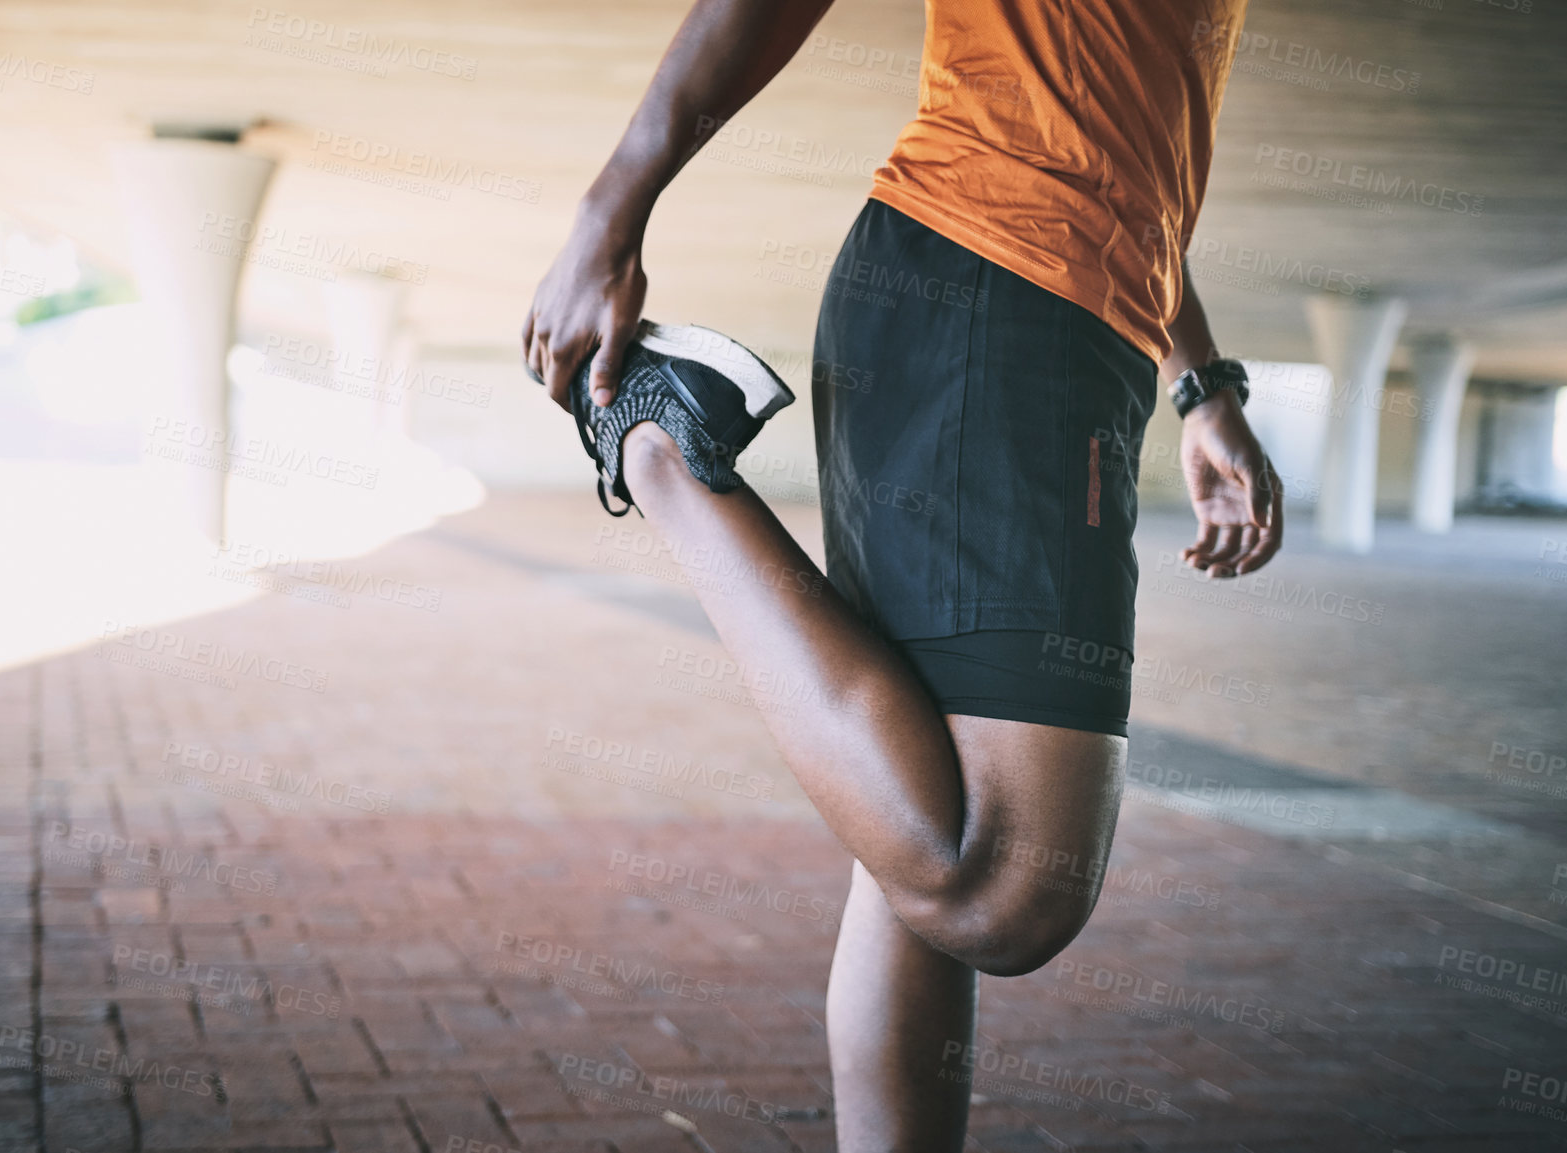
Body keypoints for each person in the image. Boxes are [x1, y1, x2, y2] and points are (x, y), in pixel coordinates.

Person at [521, 0, 1278, 1146]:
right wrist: (613, 202)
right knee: (1005, 883)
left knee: (918, 839)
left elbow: (1127, 137)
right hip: (995, 295)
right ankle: (658, 440)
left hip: (1057, 320)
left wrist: (1198, 382)